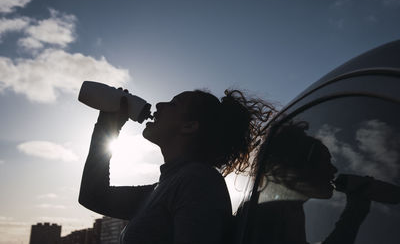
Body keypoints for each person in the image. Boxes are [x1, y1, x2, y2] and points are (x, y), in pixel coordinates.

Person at [78, 89, 275, 244]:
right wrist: (107, 126)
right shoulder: (164, 187)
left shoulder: (198, 182)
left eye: (173, 103)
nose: (159, 105)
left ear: (189, 126)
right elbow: (93, 196)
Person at [237, 121, 372, 244]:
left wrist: (355, 212)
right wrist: (353, 215)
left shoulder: (288, 209)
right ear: (300, 165)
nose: (334, 169)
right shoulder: (267, 214)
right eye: (326, 161)